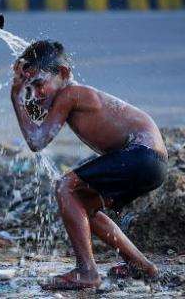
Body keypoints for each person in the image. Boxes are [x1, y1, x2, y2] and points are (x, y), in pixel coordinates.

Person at [10, 40, 168, 290]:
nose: (37, 93)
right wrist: (24, 92)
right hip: (149, 161)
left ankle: (87, 271)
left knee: (66, 187)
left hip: (142, 154)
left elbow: (37, 140)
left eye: (40, 84)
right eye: (32, 87)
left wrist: (15, 96)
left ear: (62, 73)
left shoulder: (71, 94)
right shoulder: (66, 96)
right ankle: (141, 265)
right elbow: (37, 121)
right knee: (83, 204)